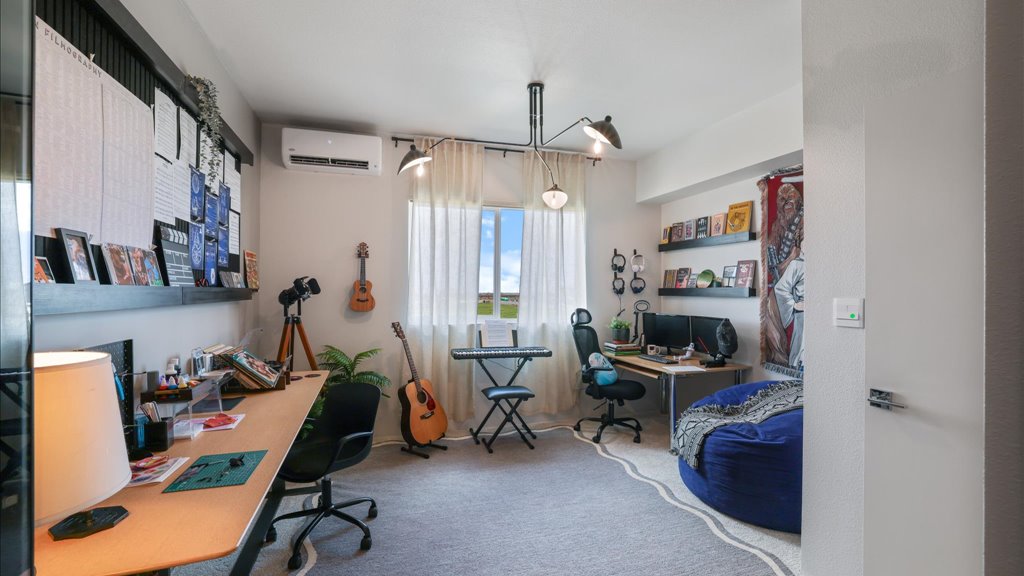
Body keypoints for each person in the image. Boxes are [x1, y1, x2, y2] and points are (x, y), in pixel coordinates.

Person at [774, 248, 805, 370]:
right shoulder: (797, 264)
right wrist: (794, 304)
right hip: (803, 314)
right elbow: (781, 288)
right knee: (800, 348)